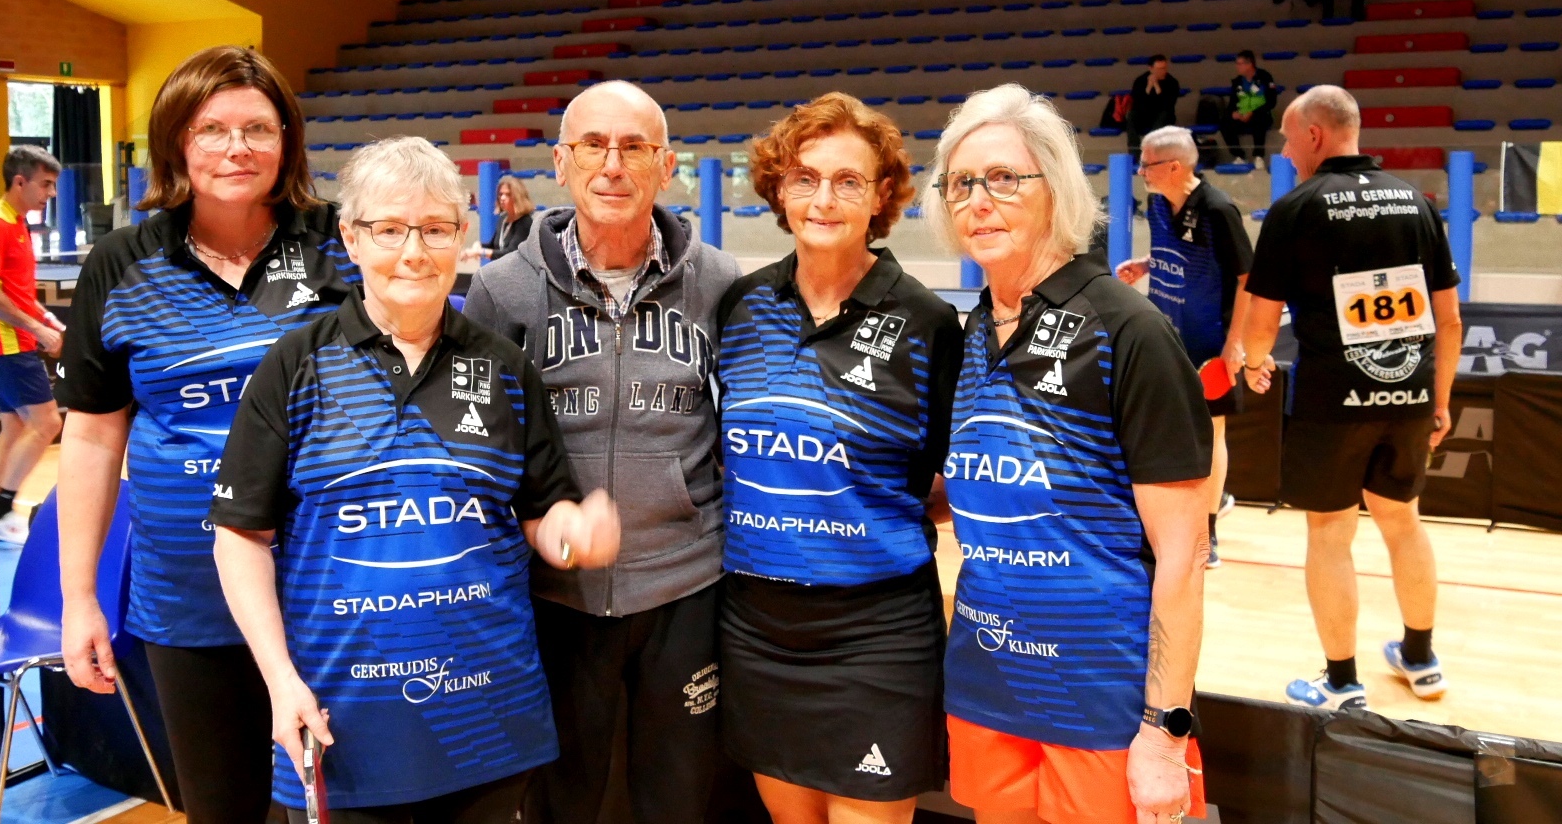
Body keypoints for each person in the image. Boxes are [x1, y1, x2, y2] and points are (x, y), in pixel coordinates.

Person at [212, 137, 621, 824]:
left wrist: (573, 536)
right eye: (390, 229)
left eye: (435, 229)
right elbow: (240, 536)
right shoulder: (296, 365)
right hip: (341, 720)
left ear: (462, 237)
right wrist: (280, 681)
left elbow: (542, 510)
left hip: (490, 711)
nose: (414, 251)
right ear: (351, 237)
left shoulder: (504, 368)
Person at [57, 45, 359, 824]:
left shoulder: (342, 242)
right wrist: (79, 597)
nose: (237, 148)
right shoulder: (121, 264)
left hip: (331, 588)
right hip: (186, 600)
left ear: (287, 140)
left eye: (258, 128)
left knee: (341, 808)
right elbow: (92, 439)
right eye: (212, 129)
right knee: (222, 809)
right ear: (176, 142)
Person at [926, 84, 1211, 824]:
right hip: (987, 681)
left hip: (1102, 697)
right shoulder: (968, 335)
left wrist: (1165, 730)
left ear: (1053, 186)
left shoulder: (1130, 332)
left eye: (1003, 178)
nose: (978, 201)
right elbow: (977, 491)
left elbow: (1183, 555)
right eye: (961, 184)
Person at [463, 79, 739, 824]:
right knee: (563, 800)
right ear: (561, 162)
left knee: (677, 801)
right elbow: (482, 448)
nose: (613, 165)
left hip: (685, 587)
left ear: (666, 166)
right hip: (555, 596)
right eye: (593, 145)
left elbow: (741, 427)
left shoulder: (720, 284)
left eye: (634, 147)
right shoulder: (501, 291)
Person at [716, 92, 962, 824]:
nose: (823, 199)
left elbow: (951, 482)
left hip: (875, 634)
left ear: (881, 195)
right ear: (779, 188)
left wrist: (861, 515)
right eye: (805, 178)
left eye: (848, 181)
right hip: (755, 628)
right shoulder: (741, 306)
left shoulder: (926, 322)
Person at [1239, 86, 1464, 713]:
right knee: (1403, 521)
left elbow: (1262, 320)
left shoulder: (1296, 208)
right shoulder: (1416, 203)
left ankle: (1341, 683)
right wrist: (1440, 399)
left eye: (1289, 140)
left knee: (1330, 532)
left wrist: (1254, 365)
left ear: (1315, 134)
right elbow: (1449, 320)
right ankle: (1421, 658)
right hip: (1411, 393)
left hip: (1331, 402)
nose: (1287, 153)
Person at [1116, 126, 1264, 570]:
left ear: (1175, 166)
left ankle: (1208, 528)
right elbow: (1173, 250)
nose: (1140, 171)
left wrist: (1234, 343)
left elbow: (1247, 279)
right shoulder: (1158, 204)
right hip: (1165, 334)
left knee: (1212, 432)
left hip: (1209, 342)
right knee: (1164, 427)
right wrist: (1146, 265)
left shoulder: (1218, 209)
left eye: (1147, 164)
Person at [0, 145, 65, 545]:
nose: (51, 193)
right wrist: (38, 330)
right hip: (4, 340)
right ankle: (3, 508)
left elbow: (16, 291)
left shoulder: (17, 222)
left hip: (9, 337)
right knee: (47, 422)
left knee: (16, 425)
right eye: (46, 184)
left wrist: (49, 321)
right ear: (20, 182)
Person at [1112, 56, 1181, 158]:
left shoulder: (1172, 82)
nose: (1162, 71)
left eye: (1164, 68)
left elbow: (1168, 104)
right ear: (1151, 68)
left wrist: (1157, 87)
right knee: (1131, 116)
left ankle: (1152, 152)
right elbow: (1137, 103)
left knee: (1164, 115)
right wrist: (1148, 88)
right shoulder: (1140, 80)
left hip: (1163, 114)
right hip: (1144, 114)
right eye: (1159, 69)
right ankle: (1135, 154)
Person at [1219, 50, 1279, 168]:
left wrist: (1252, 112)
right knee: (1225, 122)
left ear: (1249, 64)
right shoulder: (1237, 82)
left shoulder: (1265, 77)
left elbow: (1271, 102)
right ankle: (1239, 156)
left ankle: (1258, 156)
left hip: (1261, 114)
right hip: (1243, 115)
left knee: (1259, 118)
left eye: (1239, 64)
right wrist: (1234, 114)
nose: (1237, 67)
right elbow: (1232, 104)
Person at [488, 174, 536, 261]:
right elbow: (493, 246)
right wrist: (477, 248)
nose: (502, 198)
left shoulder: (525, 222)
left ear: (518, 197)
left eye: (508, 194)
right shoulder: (502, 219)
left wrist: (482, 252)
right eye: (500, 194)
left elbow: (511, 253)